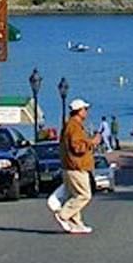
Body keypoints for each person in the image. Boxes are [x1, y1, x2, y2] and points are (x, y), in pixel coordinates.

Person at [49, 97, 97, 234]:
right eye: (85, 109)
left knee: (74, 195)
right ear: (79, 111)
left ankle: (76, 223)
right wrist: (91, 143)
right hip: (76, 167)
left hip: (70, 166)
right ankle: (63, 215)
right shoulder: (74, 126)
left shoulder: (71, 125)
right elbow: (77, 148)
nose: (86, 112)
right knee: (84, 195)